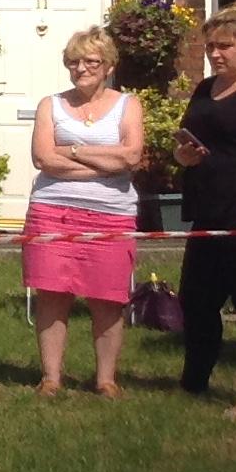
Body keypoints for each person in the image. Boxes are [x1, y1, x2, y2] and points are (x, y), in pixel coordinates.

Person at [23, 27, 142, 398]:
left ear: (108, 66)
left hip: (112, 214)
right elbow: (43, 158)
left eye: (91, 61)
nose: (81, 68)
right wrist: (106, 164)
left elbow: (132, 156)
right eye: (74, 61)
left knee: (108, 298)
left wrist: (72, 150)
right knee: (52, 295)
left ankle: (106, 379)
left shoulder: (128, 105)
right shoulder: (50, 105)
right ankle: (51, 378)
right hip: (52, 210)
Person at [172, 1, 236, 417]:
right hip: (207, 209)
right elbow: (186, 139)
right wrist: (183, 155)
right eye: (210, 47)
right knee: (197, 300)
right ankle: (194, 382)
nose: (215, 54)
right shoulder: (205, 89)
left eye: (225, 46)